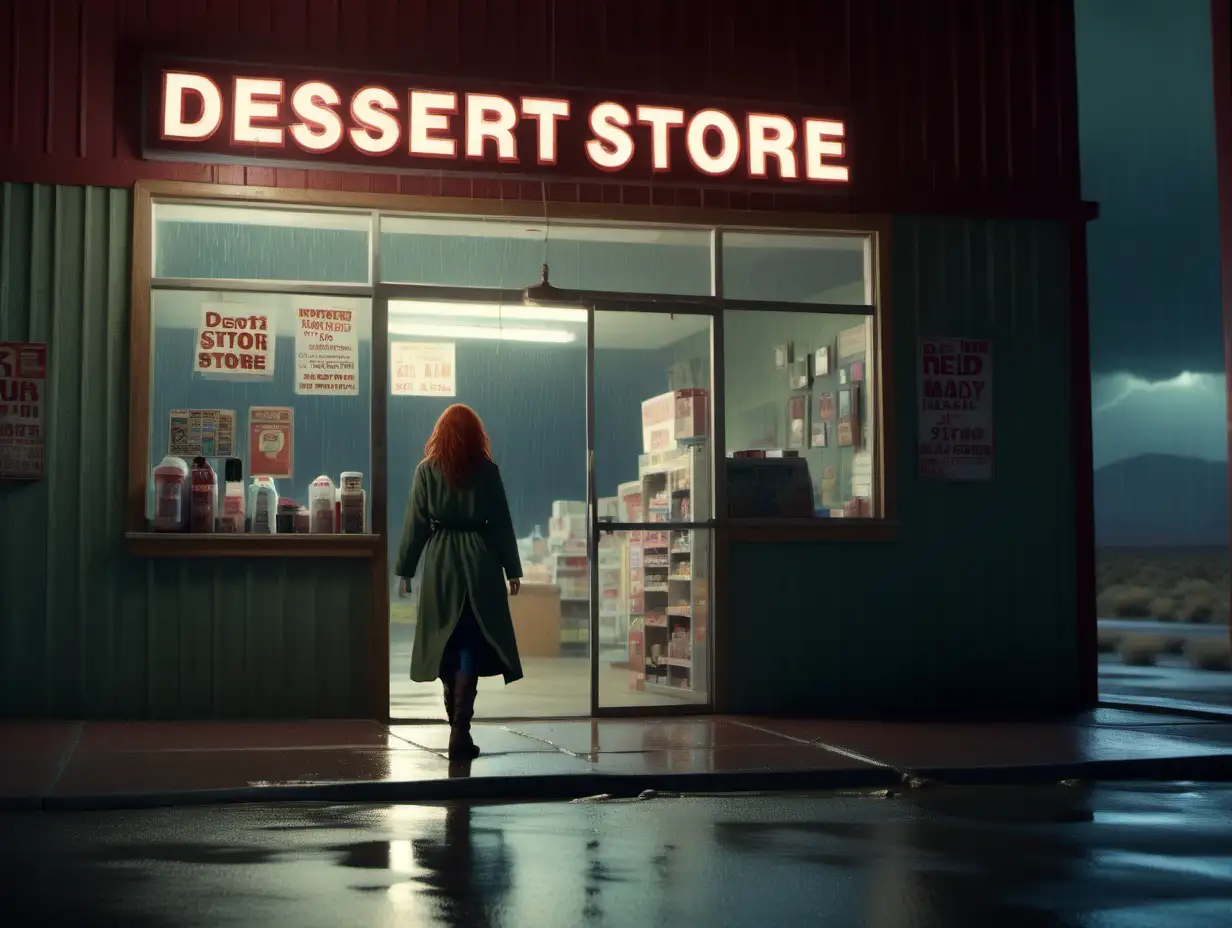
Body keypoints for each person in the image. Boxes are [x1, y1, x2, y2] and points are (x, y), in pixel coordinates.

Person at [396, 404, 523, 760]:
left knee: (443, 642)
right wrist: (512, 568)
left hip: (440, 563)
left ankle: (455, 725)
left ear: (441, 434)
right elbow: (500, 523)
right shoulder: (487, 471)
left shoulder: (426, 472)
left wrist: (405, 568)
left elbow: (416, 523)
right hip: (481, 560)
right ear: (475, 435)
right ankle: (460, 730)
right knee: (470, 643)